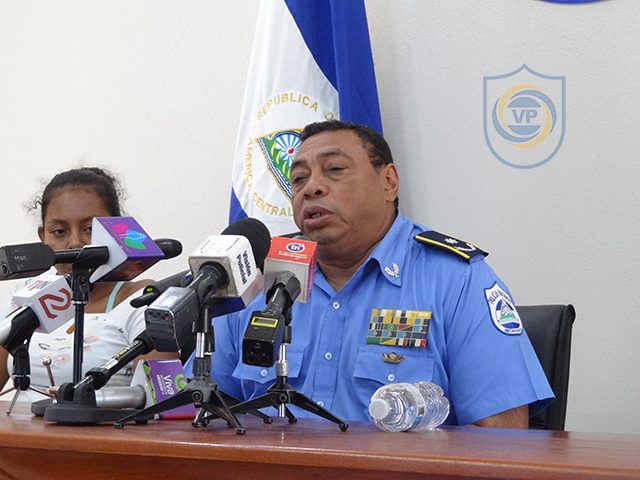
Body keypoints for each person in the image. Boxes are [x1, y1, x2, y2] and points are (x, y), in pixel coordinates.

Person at [211, 120, 554, 428]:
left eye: (334, 170)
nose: (311, 188)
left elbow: (501, 434)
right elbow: (205, 410)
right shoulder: (258, 280)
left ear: (388, 182)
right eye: (299, 179)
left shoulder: (456, 280)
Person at [0, 167, 175, 400]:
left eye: (90, 229)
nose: (74, 243)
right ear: (43, 237)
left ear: (117, 231)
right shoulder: (25, 295)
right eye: (59, 231)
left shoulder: (145, 298)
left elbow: (163, 401)